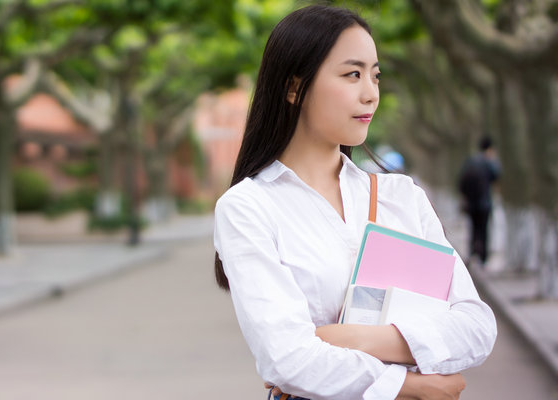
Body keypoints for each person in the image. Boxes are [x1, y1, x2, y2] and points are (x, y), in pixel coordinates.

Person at [213, 5, 497, 399]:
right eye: (352, 74)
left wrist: (346, 337)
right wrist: (409, 386)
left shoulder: (403, 197)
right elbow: (287, 359)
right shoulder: (248, 207)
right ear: (294, 88)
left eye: (375, 75)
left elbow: (476, 327)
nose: (371, 93)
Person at [458, 136, 501, 266]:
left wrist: (465, 196)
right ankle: (483, 257)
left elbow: (461, 181)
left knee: (473, 228)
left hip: (471, 203)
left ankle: (473, 253)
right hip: (484, 203)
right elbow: (496, 175)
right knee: (484, 229)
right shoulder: (489, 162)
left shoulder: (470, 161)